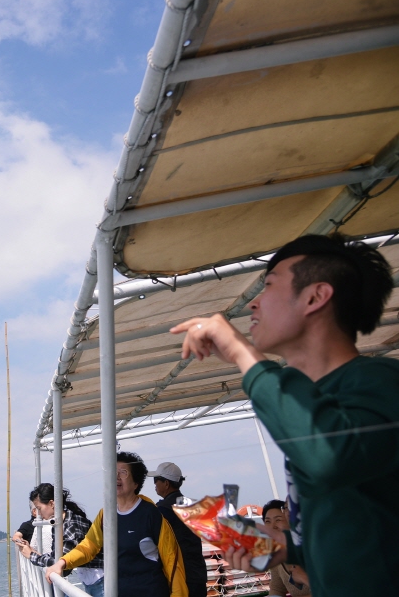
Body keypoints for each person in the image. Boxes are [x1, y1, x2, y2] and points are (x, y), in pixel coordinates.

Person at [170, 234, 398, 597]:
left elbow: (328, 455)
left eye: (269, 285)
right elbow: (360, 527)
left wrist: (242, 353)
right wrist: (286, 548)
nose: (253, 305)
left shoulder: (380, 382)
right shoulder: (315, 401)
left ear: (315, 297)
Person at [44, 452, 187, 597]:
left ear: (136, 482)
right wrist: (62, 563)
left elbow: (172, 561)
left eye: (123, 472)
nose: (116, 477)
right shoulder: (105, 514)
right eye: (113, 472)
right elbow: (88, 546)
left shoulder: (151, 514)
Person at [15, 483, 105, 597]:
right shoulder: (61, 522)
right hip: (93, 580)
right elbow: (58, 556)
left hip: (100, 580)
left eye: (39, 508)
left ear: (52, 504)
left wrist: (32, 555)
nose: (38, 514)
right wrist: (34, 552)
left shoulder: (71, 526)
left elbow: (63, 565)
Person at [148, 461, 207, 597]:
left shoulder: (163, 510)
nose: (155, 484)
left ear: (166, 483)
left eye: (156, 480)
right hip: (197, 573)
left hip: (178, 576)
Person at [262, 499, 311, 597]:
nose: (272, 527)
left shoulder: (310, 547)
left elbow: (332, 588)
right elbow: (277, 588)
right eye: (267, 521)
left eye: (278, 520)